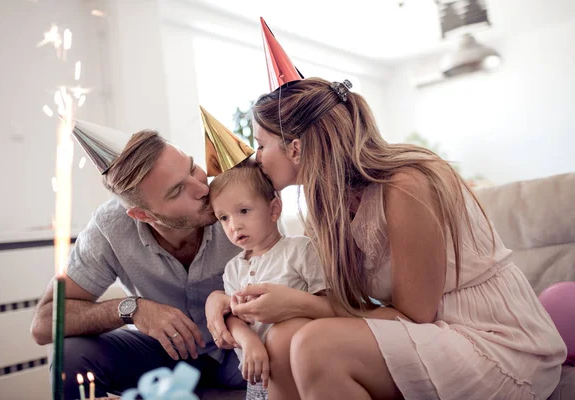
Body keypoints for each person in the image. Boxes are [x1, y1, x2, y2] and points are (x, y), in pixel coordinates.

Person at [217, 77, 567, 400]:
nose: (256, 158)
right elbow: (332, 296)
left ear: (295, 149)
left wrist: (301, 305)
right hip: (427, 332)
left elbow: (414, 317)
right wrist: (224, 303)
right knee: (281, 338)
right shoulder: (327, 207)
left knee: (316, 344)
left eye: (261, 145)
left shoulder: (405, 186)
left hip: (489, 336)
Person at [30, 125, 248, 398]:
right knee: (70, 356)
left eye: (192, 168)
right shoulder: (110, 227)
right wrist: (131, 309)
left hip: (240, 350)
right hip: (162, 356)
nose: (202, 188)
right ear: (143, 215)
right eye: (177, 191)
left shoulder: (239, 202)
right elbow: (44, 323)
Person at [208, 161, 326, 400]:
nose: (234, 225)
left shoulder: (300, 251)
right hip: (258, 377)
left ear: (274, 209)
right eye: (223, 217)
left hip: (302, 371)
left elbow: (328, 305)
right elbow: (233, 316)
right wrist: (249, 341)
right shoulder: (233, 269)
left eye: (243, 211)